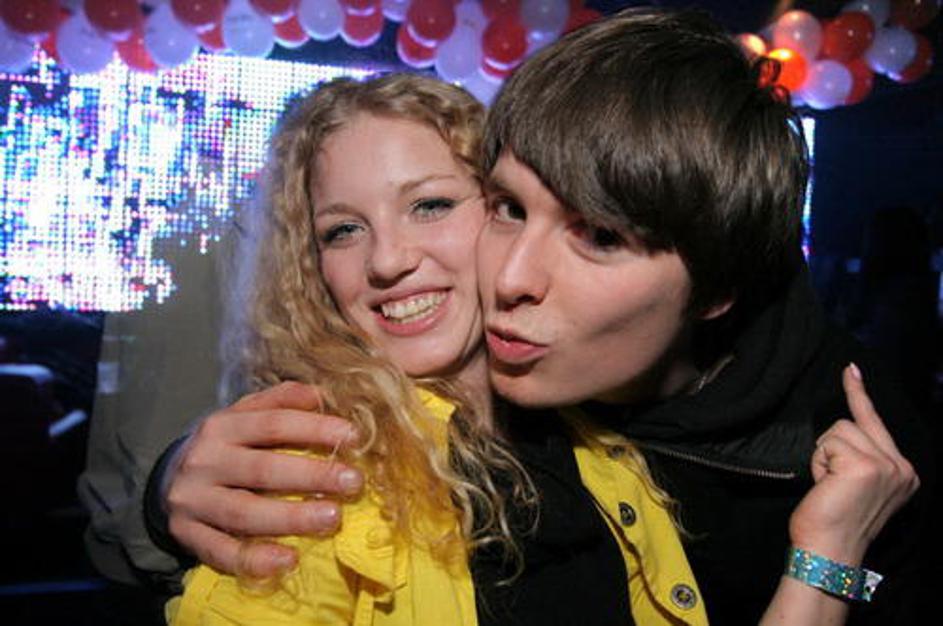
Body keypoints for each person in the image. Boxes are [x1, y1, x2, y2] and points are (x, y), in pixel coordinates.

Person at [145, 7, 927, 626]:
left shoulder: (850, 439)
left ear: (716, 289)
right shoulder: (329, 474)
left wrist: (828, 564)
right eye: (510, 208)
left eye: (599, 235)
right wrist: (175, 479)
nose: (511, 277)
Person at [167, 73, 538, 624]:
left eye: (430, 205)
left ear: (505, 209)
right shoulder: (314, 478)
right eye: (343, 230)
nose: (387, 260)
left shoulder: (600, 419)